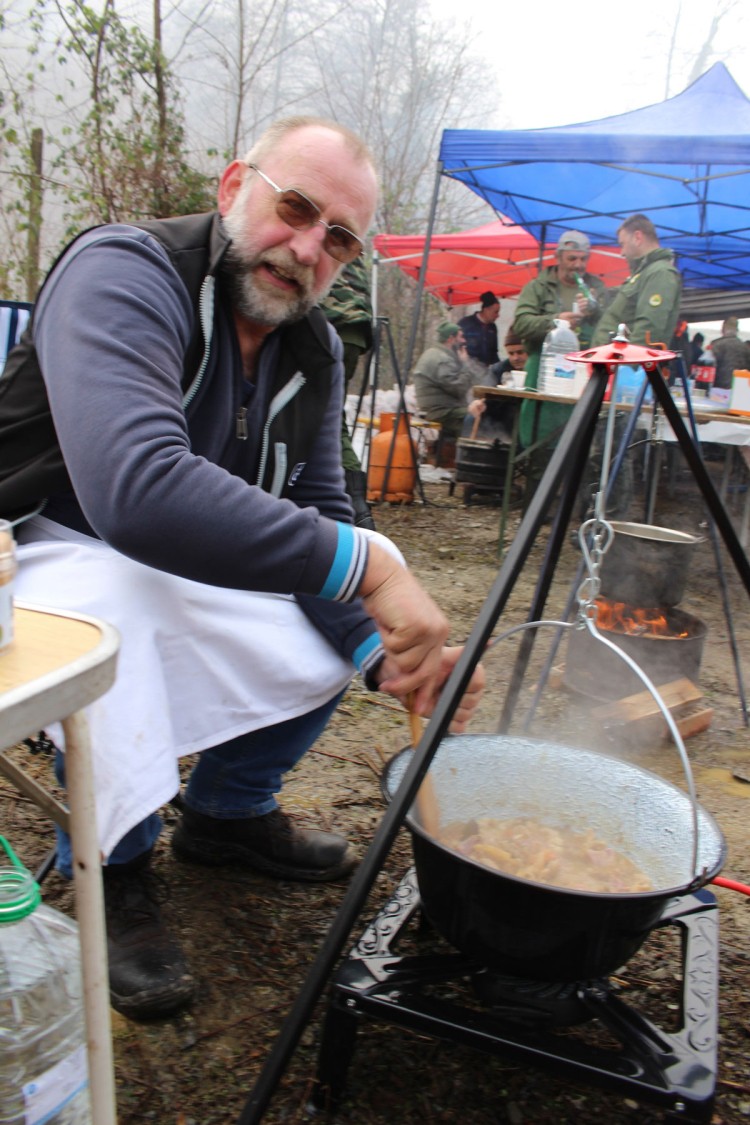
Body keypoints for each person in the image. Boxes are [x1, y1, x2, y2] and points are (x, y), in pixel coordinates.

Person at [10, 116, 484, 1021]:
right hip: (36, 539)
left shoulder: (314, 347)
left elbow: (323, 505)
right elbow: (137, 490)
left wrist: (383, 646)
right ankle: (114, 866)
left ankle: (228, 813)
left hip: (173, 555)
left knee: (327, 631)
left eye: (338, 239)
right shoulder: (125, 270)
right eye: (294, 208)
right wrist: (372, 568)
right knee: (121, 613)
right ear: (235, 188)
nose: (306, 248)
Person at [512, 231, 605, 472]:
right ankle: (536, 478)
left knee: (578, 441)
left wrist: (596, 311)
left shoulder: (596, 288)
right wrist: (555, 320)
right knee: (541, 440)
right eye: (572, 258)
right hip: (543, 371)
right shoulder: (538, 287)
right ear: (558, 257)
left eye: (583, 259)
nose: (578, 265)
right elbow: (521, 324)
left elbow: (611, 326)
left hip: (583, 372)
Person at [320, 258, 375, 528]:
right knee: (331, 414)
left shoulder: (315, 233)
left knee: (326, 416)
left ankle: (354, 511)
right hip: (354, 327)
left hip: (330, 322)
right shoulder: (349, 239)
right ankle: (357, 509)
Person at [592, 214, 682, 349]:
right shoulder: (644, 274)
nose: (622, 252)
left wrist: (629, 361)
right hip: (612, 359)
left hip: (625, 360)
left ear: (637, 237)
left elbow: (648, 328)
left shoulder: (660, 273)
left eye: (622, 244)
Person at [412, 322, 474, 440]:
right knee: (475, 417)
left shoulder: (434, 353)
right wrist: (466, 364)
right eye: (461, 337)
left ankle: (450, 448)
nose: (464, 341)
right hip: (440, 412)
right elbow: (458, 389)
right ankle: (464, 450)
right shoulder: (442, 359)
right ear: (451, 338)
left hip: (435, 409)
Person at [465, 329, 528, 441]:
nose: (515, 358)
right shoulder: (499, 369)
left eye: (520, 352)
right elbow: (486, 387)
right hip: (500, 414)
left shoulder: (536, 368)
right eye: (511, 354)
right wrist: (477, 402)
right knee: (471, 417)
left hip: (524, 414)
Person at [458, 291, 501, 369]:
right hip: (467, 370)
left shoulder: (493, 327)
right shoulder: (465, 323)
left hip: (485, 371)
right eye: (495, 312)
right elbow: (456, 347)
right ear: (486, 310)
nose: (498, 315)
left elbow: (494, 353)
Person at [709, 317, 750, 389]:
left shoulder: (716, 344)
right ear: (737, 330)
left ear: (723, 329)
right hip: (739, 388)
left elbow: (709, 367)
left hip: (719, 388)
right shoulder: (745, 347)